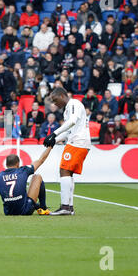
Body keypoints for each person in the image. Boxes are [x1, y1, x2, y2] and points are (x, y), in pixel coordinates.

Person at [43, 87, 91, 216]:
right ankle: (69, 207)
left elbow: (72, 122)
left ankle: (65, 207)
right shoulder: (67, 109)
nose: (54, 103)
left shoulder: (74, 104)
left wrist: (54, 133)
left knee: (64, 170)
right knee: (68, 173)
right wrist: (55, 139)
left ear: (62, 96)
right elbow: (69, 130)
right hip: (77, 141)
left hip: (77, 142)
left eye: (55, 99)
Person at [0, 148, 53, 216]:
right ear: (18, 164)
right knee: (37, 177)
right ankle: (43, 208)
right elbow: (41, 160)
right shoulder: (23, 170)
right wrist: (50, 147)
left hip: (8, 212)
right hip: (25, 210)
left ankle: (36, 206)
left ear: (6, 164)